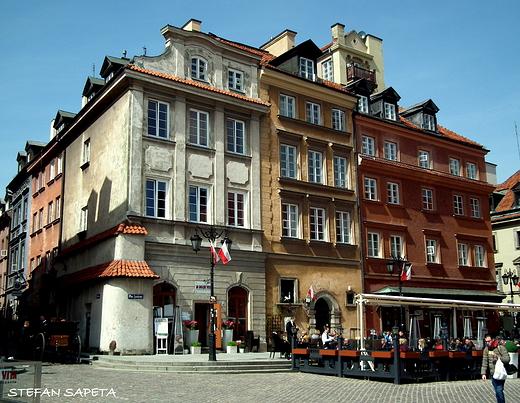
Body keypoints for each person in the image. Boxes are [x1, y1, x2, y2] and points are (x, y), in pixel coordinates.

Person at [482, 333, 510, 403]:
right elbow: (485, 361)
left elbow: (507, 359)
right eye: (486, 342)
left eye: (489, 341)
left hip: (500, 373)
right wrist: (483, 373)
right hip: (493, 373)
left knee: (499, 390)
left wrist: (498, 357)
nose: (487, 343)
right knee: (497, 391)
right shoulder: (486, 350)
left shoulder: (500, 348)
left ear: (492, 340)